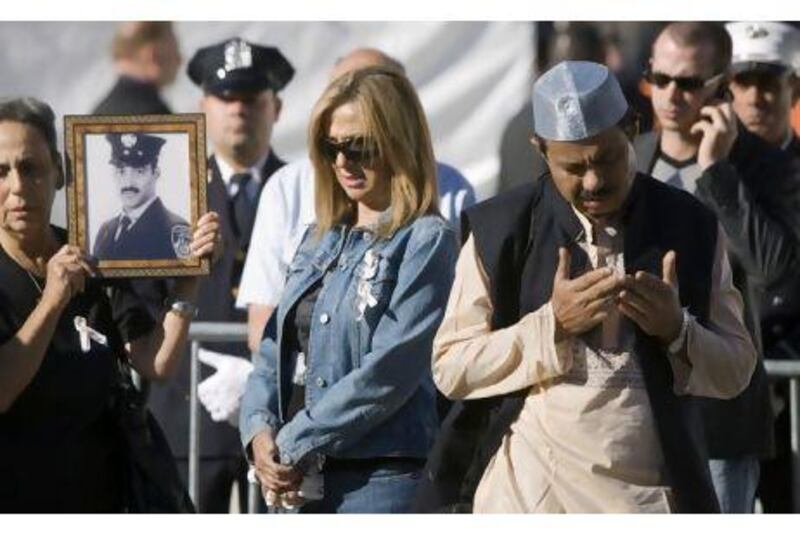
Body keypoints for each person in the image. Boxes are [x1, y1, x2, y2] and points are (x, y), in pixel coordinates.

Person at [415, 60, 757, 513]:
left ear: (633, 129)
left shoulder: (689, 226)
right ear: (541, 150)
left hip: (647, 501)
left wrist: (678, 330)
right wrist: (550, 325)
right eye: (573, 167)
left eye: (607, 159)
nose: (593, 181)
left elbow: (736, 370)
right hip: (526, 498)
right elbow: (451, 367)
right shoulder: (503, 230)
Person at [239, 65, 457, 513]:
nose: (342, 161)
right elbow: (271, 350)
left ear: (398, 142)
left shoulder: (426, 239)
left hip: (381, 483)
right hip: (298, 482)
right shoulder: (316, 237)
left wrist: (293, 440)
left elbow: (388, 373)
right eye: (330, 146)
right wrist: (258, 433)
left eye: (357, 147)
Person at [0, 97, 220, 511]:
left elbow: (155, 361)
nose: (16, 187)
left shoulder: (95, 255)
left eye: (30, 168)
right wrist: (52, 300)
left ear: (61, 172)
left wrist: (190, 280)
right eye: (1, 172)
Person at [634, 21, 800, 513]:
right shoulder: (632, 157)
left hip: (719, 421)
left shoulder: (763, 166)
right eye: (658, 79)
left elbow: (775, 270)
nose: (669, 96)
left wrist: (716, 174)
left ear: (718, 85)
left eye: (686, 83)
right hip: (637, 415)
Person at [146, 37, 295, 513]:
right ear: (203, 106)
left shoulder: (303, 190)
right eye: (226, 98)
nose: (238, 111)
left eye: (252, 99)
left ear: (277, 107)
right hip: (189, 412)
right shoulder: (167, 193)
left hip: (279, 418)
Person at [725, 20, 800, 513]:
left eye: (768, 83)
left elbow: (777, 268)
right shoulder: (710, 165)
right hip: (730, 394)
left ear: (792, 86)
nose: (755, 98)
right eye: (743, 83)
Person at [93, 132, 190, 261]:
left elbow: (188, 280)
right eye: (121, 171)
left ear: (156, 173)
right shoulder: (106, 230)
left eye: (139, 171)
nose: (128, 183)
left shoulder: (176, 230)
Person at [93, 21, 181, 115]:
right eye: (175, 53)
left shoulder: (97, 114)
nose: (180, 61)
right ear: (154, 56)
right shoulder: (156, 114)